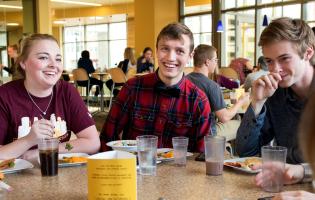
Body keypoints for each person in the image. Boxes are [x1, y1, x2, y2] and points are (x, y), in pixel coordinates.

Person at [100, 22, 211, 152]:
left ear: (190, 56)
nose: (171, 58)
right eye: (165, 49)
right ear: (156, 51)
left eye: (180, 51)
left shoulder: (199, 100)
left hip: (177, 171)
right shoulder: (132, 88)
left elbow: (202, 155)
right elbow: (107, 138)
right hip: (134, 169)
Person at [0, 34, 100, 160]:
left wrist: (44, 151)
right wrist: (28, 140)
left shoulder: (66, 91)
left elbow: (93, 142)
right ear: (23, 63)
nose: (54, 65)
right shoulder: (4, 96)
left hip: (57, 174)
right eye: (43, 57)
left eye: (58, 59)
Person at [235, 17, 315, 164]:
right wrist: (257, 104)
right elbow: (245, 153)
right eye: (269, 61)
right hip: (280, 184)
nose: (275, 69)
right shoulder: (274, 93)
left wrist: (301, 171)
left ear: (308, 53)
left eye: (284, 58)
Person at [253, 92, 315, 199]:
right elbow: (247, 151)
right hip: (286, 182)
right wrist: (302, 171)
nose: (276, 74)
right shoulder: (274, 96)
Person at [186, 44, 249, 135]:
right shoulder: (211, 86)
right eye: (215, 60)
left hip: (187, 132)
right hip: (207, 133)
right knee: (242, 124)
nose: (216, 63)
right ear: (207, 62)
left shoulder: (184, 80)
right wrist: (241, 101)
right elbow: (224, 118)